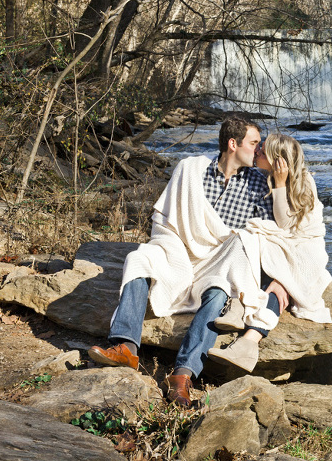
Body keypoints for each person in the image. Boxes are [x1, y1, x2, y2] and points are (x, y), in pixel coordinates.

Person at [88, 118, 288, 408]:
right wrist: (172, 249)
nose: (259, 150)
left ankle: (182, 375)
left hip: (221, 262)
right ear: (233, 144)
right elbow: (166, 222)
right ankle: (126, 347)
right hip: (180, 252)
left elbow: (274, 232)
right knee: (139, 257)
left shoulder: (259, 183)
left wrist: (280, 278)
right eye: (255, 143)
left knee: (218, 292)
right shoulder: (191, 169)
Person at [206, 133, 332, 371]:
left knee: (281, 283)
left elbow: (286, 224)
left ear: (278, 160)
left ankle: (249, 343)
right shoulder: (265, 176)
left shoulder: (303, 180)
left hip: (306, 251)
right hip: (284, 243)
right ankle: (240, 315)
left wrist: (282, 184)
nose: (257, 153)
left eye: (262, 151)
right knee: (252, 248)